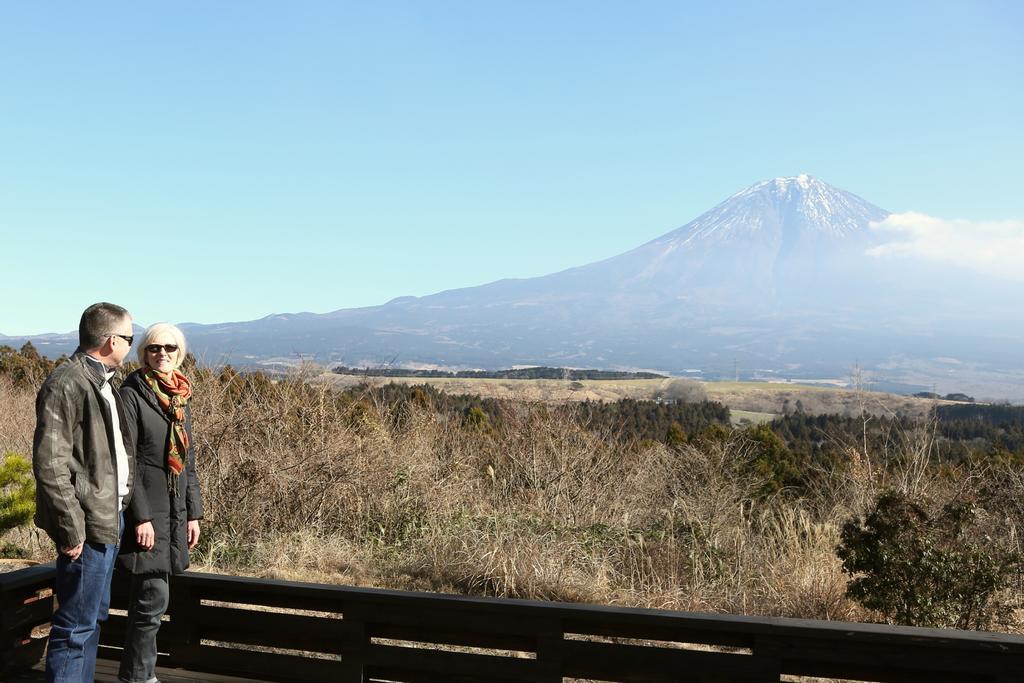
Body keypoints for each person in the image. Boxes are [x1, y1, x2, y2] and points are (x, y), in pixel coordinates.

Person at [33, 302, 136, 683]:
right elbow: (50, 463)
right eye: (129, 338)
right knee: (75, 626)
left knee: (91, 620)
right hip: (87, 526)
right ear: (112, 341)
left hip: (109, 519)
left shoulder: (103, 383)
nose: (131, 345)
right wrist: (70, 528)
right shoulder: (67, 383)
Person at [117, 322, 203, 683]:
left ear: (179, 353)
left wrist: (194, 513)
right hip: (149, 515)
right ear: (144, 354)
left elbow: (188, 463)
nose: (162, 354)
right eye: (154, 348)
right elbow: (128, 461)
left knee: (153, 601)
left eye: (169, 348)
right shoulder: (132, 393)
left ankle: (137, 674)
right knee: (151, 601)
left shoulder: (178, 398)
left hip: (174, 515)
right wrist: (140, 517)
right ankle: (137, 677)